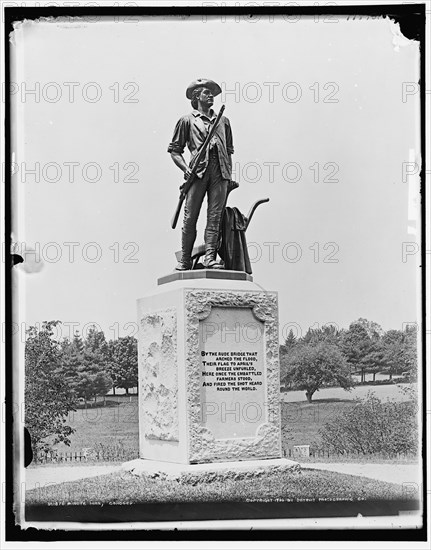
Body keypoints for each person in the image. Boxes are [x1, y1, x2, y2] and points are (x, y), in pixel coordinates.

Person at [168, 78, 234, 270]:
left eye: (212, 93)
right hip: (197, 173)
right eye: (206, 92)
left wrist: (228, 176)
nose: (211, 96)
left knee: (215, 217)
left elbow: (229, 150)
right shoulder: (186, 121)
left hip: (220, 173)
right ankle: (186, 259)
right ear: (197, 97)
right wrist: (185, 169)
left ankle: (210, 258)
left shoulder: (224, 121)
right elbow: (175, 150)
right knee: (190, 218)